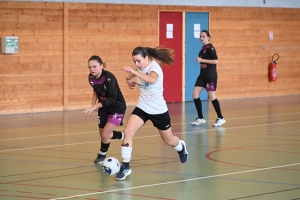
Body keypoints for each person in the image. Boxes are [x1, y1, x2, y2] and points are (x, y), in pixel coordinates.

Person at [115, 46, 189, 181]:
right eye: (134, 62)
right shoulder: (140, 67)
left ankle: (181, 147)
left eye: (138, 61)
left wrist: (133, 71)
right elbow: (133, 73)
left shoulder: (154, 67)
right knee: (128, 132)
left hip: (158, 111)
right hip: (143, 107)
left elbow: (152, 80)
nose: (137, 64)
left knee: (169, 140)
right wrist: (128, 79)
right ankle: (126, 166)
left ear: (147, 58)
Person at [83, 55, 127, 164]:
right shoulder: (91, 78)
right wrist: (93, 103)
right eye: (90, 67)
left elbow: (112, 98)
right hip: (103, 107)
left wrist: (96, 106)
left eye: (94, 66)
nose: (92, 69)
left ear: (101, 66)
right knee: (103, 134)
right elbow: (96, 90)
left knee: (105, 134)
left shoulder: (109, 78)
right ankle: (120, 137)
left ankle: (103, 154)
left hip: (117, 107)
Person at [191, 30, 226, 127]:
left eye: (203, 36)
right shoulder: (203, 48)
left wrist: (201, 60)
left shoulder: (211, 48)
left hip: (210, 76)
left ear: (208, 37)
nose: (201, 38)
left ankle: (221, 118)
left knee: (212, 96)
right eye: (200, 36)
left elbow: (215, 61)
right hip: (202, 76)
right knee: (195, 94)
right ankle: (200, 118)